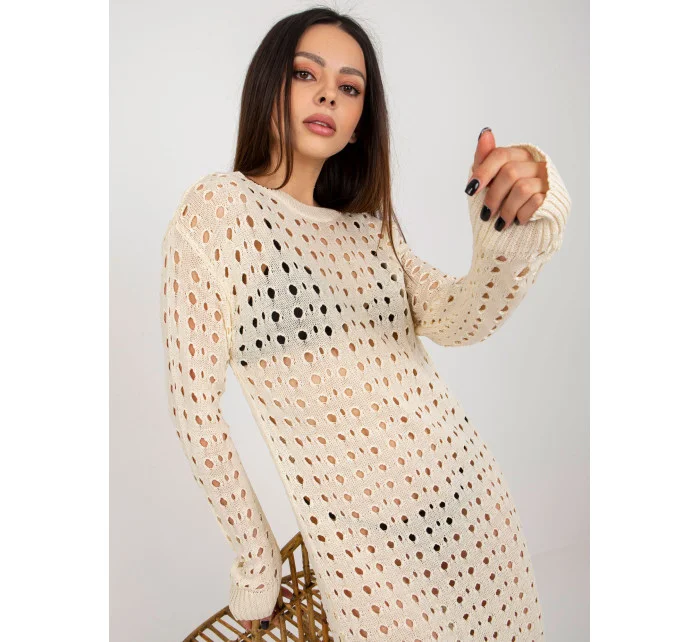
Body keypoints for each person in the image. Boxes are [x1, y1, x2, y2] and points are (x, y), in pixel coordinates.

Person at [159, 6, 571, 640]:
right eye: (306, 74)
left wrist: (514, 232)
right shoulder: (221, 210)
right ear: (268, 85)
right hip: (362, 544)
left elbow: (461, 317)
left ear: (358, 125)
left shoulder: (369, 228)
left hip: (469, 500)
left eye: (350, 88)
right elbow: (195, 408)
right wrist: (256, 563)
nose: (328, 94)